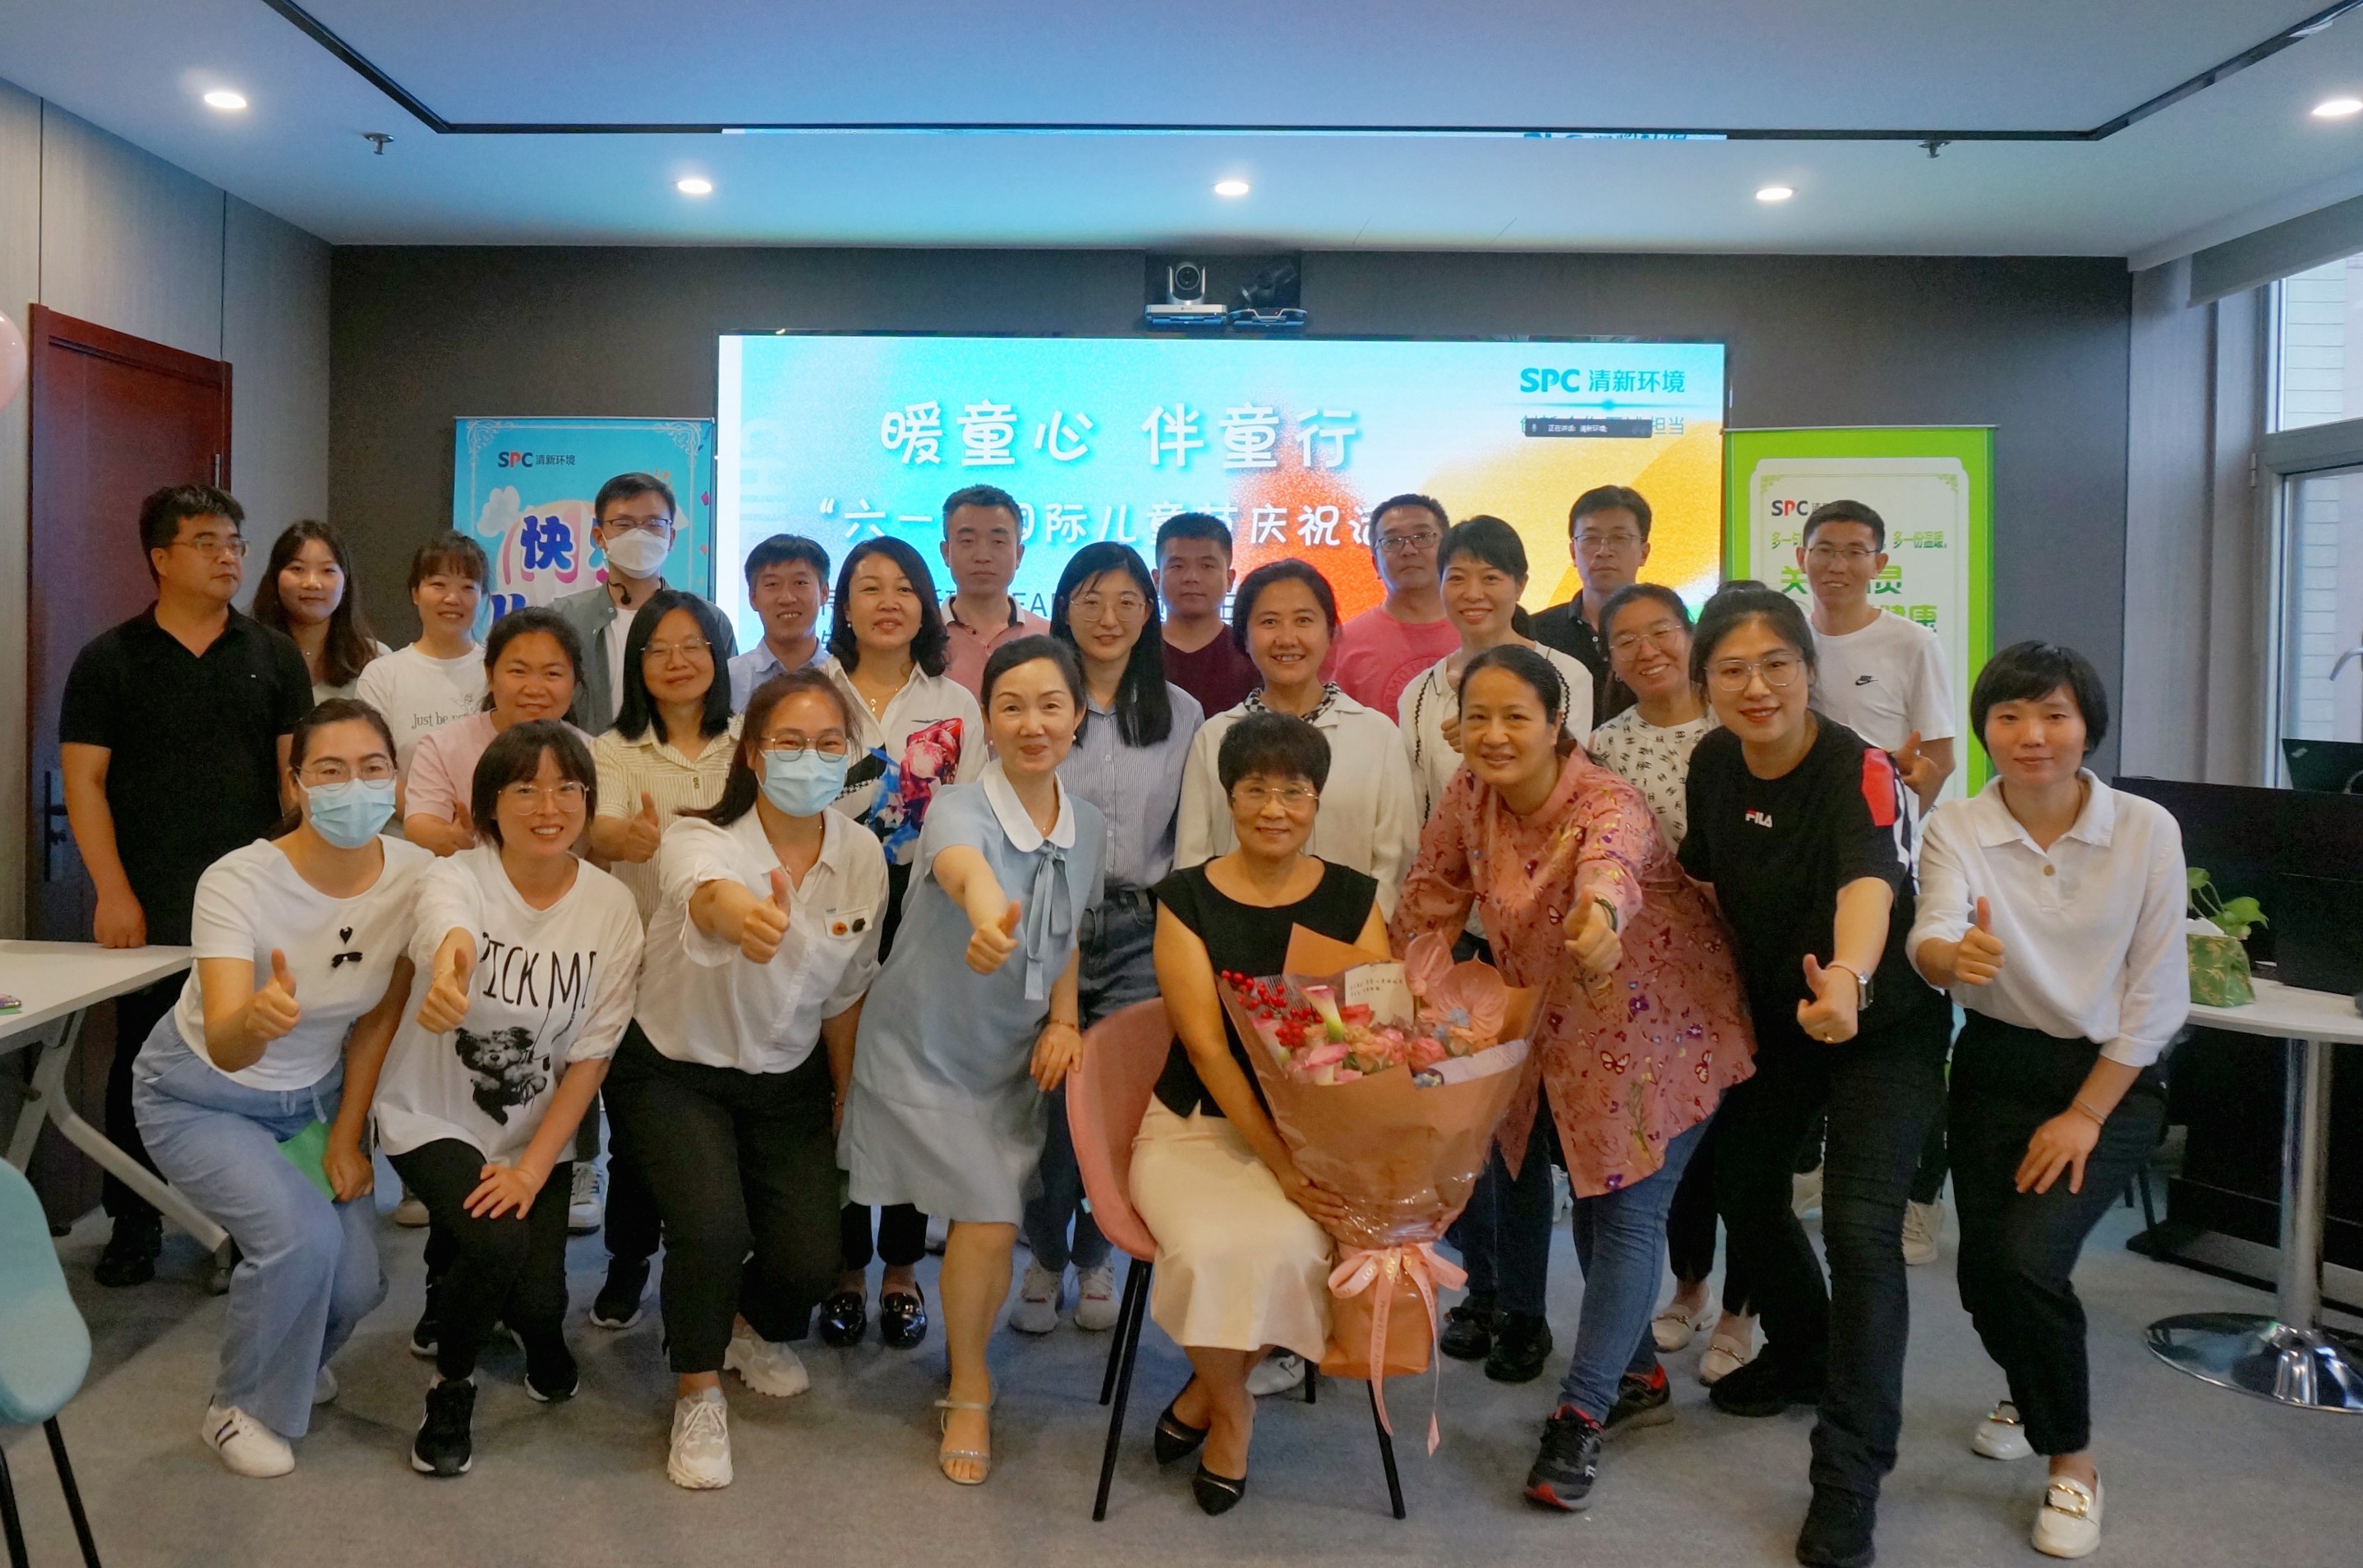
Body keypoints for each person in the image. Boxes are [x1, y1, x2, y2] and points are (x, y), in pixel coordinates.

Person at [1392, 646, 1753, 1512]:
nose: (1494, 734)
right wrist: (1391, 995)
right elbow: (1429, 896)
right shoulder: (1469, 794)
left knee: (1625, 1212)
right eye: (1478, 716)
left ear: (1557, 724)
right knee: (1594, 1206)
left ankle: (1581, 1413)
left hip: (1665, 1026)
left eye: (1516, 716)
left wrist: (1597, 919)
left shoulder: (1605, 800)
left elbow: (1610, 870)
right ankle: (1637, 1377)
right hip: (1566, 1027)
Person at [1676, 585, 1952, 1568]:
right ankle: (1803, 1354)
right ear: (1706, 684)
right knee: (1745, 1189)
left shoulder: (1858, 766)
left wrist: (1846, 977)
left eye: (1775, 665)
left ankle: (1847, 1473)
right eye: (1731, 669)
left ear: (1807, 670)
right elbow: (1703, 881)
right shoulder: (1712, 762)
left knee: (1858, 1230)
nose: (1755, 687)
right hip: (1780, 1021)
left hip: (1880, 1024)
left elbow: (1868, 882)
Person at [1908, 642, 2185, 1561]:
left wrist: (2086, 1114)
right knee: (1982, 1275)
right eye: (2010, 716)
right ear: (1984, 730)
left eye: (2054, 715)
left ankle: (2072, 1462)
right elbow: (1932, 931)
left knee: (2028, 1260)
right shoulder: (1958, 825)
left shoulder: (2144, 828)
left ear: (2087, 728)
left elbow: (2158, 994)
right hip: (1995, 1065)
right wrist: (1949, 958)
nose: (2032, 735)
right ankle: (2029, 1394)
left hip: (2110, 1077)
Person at [128, 699, 426, 1476]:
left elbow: (378, 1022)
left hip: (312, 1101)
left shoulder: (416, 876)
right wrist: (258, 1021)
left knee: (358, 1283)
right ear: (294, 784)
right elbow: (227, 1042)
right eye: (330, 769)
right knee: (300, 1238)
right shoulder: (238, 879)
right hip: (201, 1095)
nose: (353, 785)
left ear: (395, 779)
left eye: (372, 768)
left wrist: (346, 1136)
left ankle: (289, 1357)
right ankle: (238, 1407)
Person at [610, 669, 887, 1490]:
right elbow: (706, 897)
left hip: (786, 1074)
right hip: (675, 1069)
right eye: (789, 742)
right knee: (711, 1229)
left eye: (828, 744)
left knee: (810, 1257)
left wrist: (843, 1092)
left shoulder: (861, 855)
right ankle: (696, 1390)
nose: (810, 758)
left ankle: (740, 1326)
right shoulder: (700, 836)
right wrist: (746, 919)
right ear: (755, 755)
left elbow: (846, 990)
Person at [840, 637, 1104, 1486]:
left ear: (1077, 715)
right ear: (985, 718)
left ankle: (965, 1361)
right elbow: (964, 873)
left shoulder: (1088, 824)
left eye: (1051, 705)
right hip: (924, 1046)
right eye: (1011, 706)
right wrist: (990, 916)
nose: (1032, 723)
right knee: (988, 1217)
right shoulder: (957, 806)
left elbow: (1065, 927)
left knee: (986, 1224)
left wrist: (1064, 1016)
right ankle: (970, 1387)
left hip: (1009, 1059)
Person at [374, 722, 643, 1478]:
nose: (548, 807)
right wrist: (451, 971)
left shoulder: (612, 906)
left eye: (567, 788)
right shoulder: (458, 875)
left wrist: (530, 1168)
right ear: (490, 802)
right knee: (495, 1242)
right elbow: (447, 929)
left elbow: (590, 1058)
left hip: (535, 1127)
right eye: (525, 789)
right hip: (432, 1115)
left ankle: (535, 1329)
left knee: (537, 1303)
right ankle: (450, 1387)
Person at [62, 484, 313, 1288]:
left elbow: (296, 781)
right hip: (153, 895)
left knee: (254, 1057)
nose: (229, 556)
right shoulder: (109, 659)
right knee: (144, 1057)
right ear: (161, 557)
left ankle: (248, 1224)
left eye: (236, 541)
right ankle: (134, 1222)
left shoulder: (273, 654)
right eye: (208, 542)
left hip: (256, 898)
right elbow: (84, 783)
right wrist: (112, 890)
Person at [1135, 710, 1379, 1515]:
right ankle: (1234, 1407)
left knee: (1296, 1246)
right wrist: (1281, 1162)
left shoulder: (1352, 897)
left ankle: (1202, 1392)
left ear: (1317, 800)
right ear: (1228, 797)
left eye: (1294, 791)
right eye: (1255, 790)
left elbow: (1370, 1037)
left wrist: (1331, 1154)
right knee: (1211, 1247)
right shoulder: (1185, 898)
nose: (1275, 808)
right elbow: (1207, 1049)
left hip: (1319, 1133)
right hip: (1197, 1127)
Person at [1015, 544, 1204, 1336]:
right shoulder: (1038, 699)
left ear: (1148, 612)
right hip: (1045, 920)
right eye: (1090, 599)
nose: (1108, 617)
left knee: (1115, 1104)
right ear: (1063, 607)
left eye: (1128, 601)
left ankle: (1095, 1256)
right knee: (1046, 1105)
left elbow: (1190, 838)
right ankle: (1045, 1254)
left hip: (1139, 925)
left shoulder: (1181, 712)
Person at [814, 536, 984, 1350]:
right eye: (868, 586)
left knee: (915, 1092)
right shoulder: (808, 693)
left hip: (925, 913)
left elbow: (971, 818)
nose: (887, 601)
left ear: (925, 604)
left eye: (903, 587)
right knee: (839, 1091)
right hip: (825, 913)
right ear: (844, 606)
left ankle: (902, 1271)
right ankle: (846, 1269)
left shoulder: (957, 703)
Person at [1585, 584, 1754, 1382]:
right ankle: (1689, 1288)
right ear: (1610, 657)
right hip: (1659, 981)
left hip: (1753, 957)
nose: (1646, 650)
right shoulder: (1605, 745)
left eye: (1660, 631)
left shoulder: (1738, 722)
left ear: (1690, 636)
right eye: (1626, 640)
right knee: (1671, 1144)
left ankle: (1740, 1310)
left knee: (1743, 1154)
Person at [1795, 498, 1960, 1267]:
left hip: (1888, 868)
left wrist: (1897, 807)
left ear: (1880, 563)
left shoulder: (1910, 642)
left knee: (1900, 1036)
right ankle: (1814, 1165)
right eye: (1824, 549)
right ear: (1801, 557)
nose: (1837, 564)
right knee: (1814, 1021)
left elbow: (1940, 758)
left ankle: (1920, 1197)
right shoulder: (1787, 637)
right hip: (1806, 864)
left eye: (1854, 550)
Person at [582, 589, 741, 1316]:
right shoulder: (613, 749)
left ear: (717, 655)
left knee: (722, 1129)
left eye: (693, 646)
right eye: (659, 649)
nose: (678, 661)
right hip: (643, 972)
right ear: (636, 662)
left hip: (734, 968)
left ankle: (712, 1260)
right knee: (637, 1139)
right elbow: (601, 829)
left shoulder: (750, 740)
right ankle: (628, 1259)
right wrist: (632, 838)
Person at [1176, 560, 1418, 916]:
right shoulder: (1214, 737)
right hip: (1235, 937)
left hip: (1350, 937)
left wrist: (1360, 935)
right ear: (1243, 637)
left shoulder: (1378, 736)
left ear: (1330, 632)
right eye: (1269, 622)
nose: (1287, 639)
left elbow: (1395, 863)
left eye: (1303, 621)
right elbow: (1192, 858)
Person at [1397, 516, 1596, 824]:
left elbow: (1572, 782)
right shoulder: (1419, 694)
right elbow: (1418, 806)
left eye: (1490, 578)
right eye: (1457, 579)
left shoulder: (1566, 675)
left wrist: (1487, 742)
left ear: (1520, 586)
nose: (1473, 594)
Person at [402, 608, 593, 858]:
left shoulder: (595, 752)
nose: (534, 689)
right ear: (490, 675)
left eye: (552, 674)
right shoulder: (443, 747)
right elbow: (420, 822)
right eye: (518, 671)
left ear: (574, 683)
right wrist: (450, 838)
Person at [552, 472, 734, 734]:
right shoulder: (562, 620)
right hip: (586, 758)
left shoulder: (710, 620)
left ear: (671, 537)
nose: (639, 535)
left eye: (654, 524)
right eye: (623, 524)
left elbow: (724, 705)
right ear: (600, 537)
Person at [355, 532, 492, 779]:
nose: (452, 598)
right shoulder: (382, 676)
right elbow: (371, 769)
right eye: (439, 585)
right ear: (415, 593)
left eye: (467, 587)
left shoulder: (499, 672)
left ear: (482, 597)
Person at [1326, 494, 1460, 716]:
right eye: (1392, 541)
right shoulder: (1341, 645)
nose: (1409, 550)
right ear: (1375, 564)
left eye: (1423, 536)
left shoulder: (1481, 630)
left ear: (1448, 552)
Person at [1532, 485, 1654, 722]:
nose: (1603, 551)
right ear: (1573, 552)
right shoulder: (1536, 633)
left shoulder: (1669, 635)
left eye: (1619, 538)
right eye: (1590, 539)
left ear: (1644, 552)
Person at [250, 520, 387, 702]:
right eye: (297, 569)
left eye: (328, 570)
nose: (312, 583)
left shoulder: (376, 660)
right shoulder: (247, 653)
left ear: (346, 582)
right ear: (275, 578)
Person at [937, 485, 1051, 697]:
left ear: (1019, 555)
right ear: (946, 552)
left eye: (998, 541)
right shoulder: (921, 635)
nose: (983, 556)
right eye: (967, 541)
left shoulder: (1049, 638)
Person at [1154, 512, 1260, 717]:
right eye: (1177, 566)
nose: (1192, 577)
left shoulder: (1251, 653)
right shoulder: (1134, 650)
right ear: (1156, 579)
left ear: (1230, 580)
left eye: (1207, 566)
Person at [728, 533, 831, 707]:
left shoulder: (845, 678)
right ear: (753, 598)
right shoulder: (727, 679)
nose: (787, 598)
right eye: (772, 585)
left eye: (800, 583)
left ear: (824, 593)